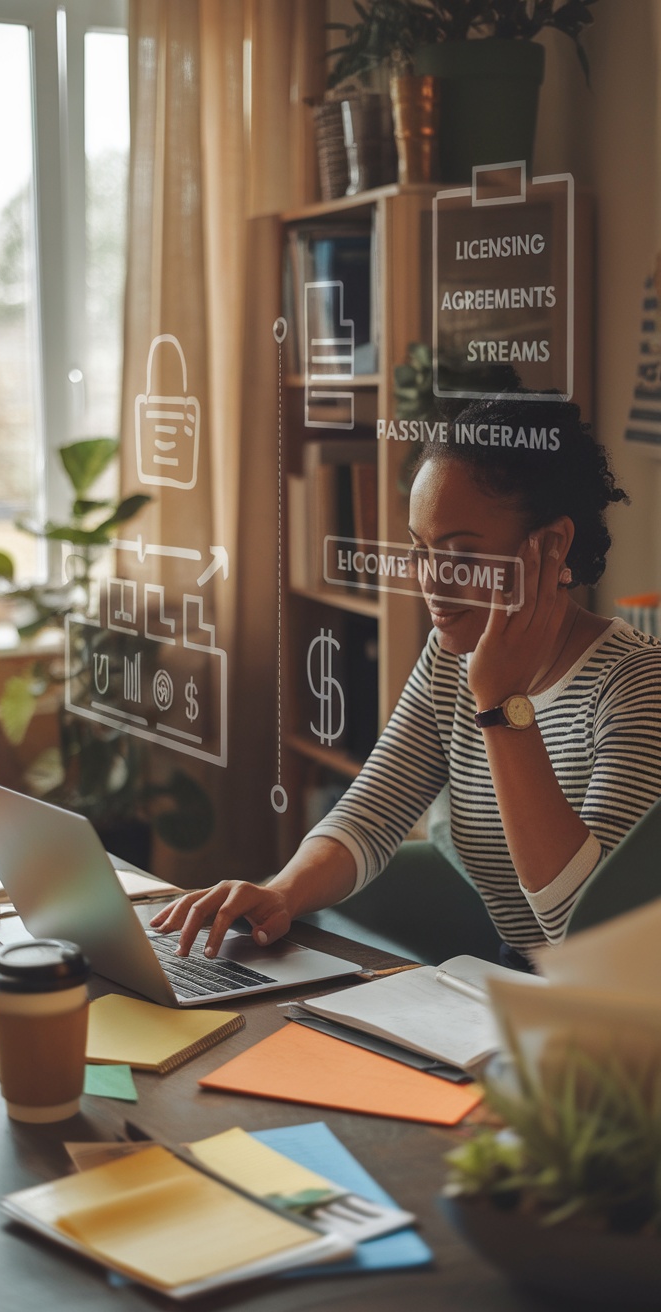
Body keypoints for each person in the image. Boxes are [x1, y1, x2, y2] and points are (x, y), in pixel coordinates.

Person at [151, 397, 661, 968]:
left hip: (615, 1011)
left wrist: (500, 703)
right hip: (518, 981)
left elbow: (587, 934)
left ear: (551, 547)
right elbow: (373, 811)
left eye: (461, 554)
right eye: (421, 550)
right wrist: (282, 891)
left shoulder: (636, 684)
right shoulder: (450, 658)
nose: (433, 584)